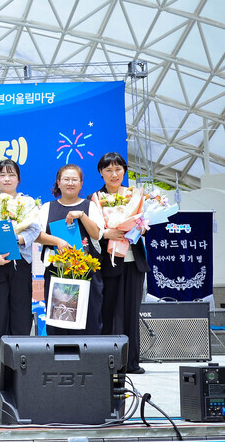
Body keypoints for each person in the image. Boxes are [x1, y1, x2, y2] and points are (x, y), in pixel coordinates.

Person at [0, 159, 41, 374]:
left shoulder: (28, 202)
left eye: (11, 174)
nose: (7, 178)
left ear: (18, 179)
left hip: (21, 262)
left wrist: (19, 240)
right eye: (2, 174)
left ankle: (21, 360)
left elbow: (34, 229)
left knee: (21, 312)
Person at [92, 152, 147, 374]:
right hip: (109, 261)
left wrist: (141, 225)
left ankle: (132, 361)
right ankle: (110, 361)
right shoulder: (94, 199)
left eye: (118, 169)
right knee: (110, 311)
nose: (114, 174)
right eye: (108, 170)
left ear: (124, 171)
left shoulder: (135, 196)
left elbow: (144, 221)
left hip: (133, 262)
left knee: (132, 311)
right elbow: (92, 231)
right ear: (101, 173)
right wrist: (106, 232)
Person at [36, 164, 104, 335]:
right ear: (58, 183)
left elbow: (96, 234)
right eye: (66, 179)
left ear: (81, 184)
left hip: (86, 272)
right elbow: (37, 235)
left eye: (75, 179)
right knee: (59, 319)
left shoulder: (90, 206)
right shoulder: (47, 207)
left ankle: (88, 359)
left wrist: (81, 215)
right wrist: (57, 241)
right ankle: (59, 360)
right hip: (56, 272)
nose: (70, 183)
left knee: (88, 318)